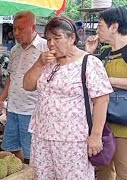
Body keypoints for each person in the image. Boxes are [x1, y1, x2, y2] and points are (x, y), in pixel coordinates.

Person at [23, 16, 113, 179]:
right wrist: (38, 63)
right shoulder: (47, 62)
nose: (51, 44)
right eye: (48, 39)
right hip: (42, 136)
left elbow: (101, 100)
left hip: (72, 140)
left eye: (57, 38)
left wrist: (95, 135)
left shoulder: (89, 63)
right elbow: (27, 85)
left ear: (72, 38)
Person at [85, 7, 127, 180]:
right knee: (103, 170)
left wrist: (110, 81)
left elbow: (103, 82)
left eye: (100, 26)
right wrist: (89, 53)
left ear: (114, 27)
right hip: (105, 125)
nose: (97, 30)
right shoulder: (106, 52)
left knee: (126, 172)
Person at [0, 11, 48, 164]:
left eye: (21, 29)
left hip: (32, 110)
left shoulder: (45, 48)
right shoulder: (15, 50)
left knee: (32, 153)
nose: (16, 33)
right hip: (13, 108)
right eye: (14, 29)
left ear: (33, 28)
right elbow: (12, 76)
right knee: (10, 147)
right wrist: (2, 98)